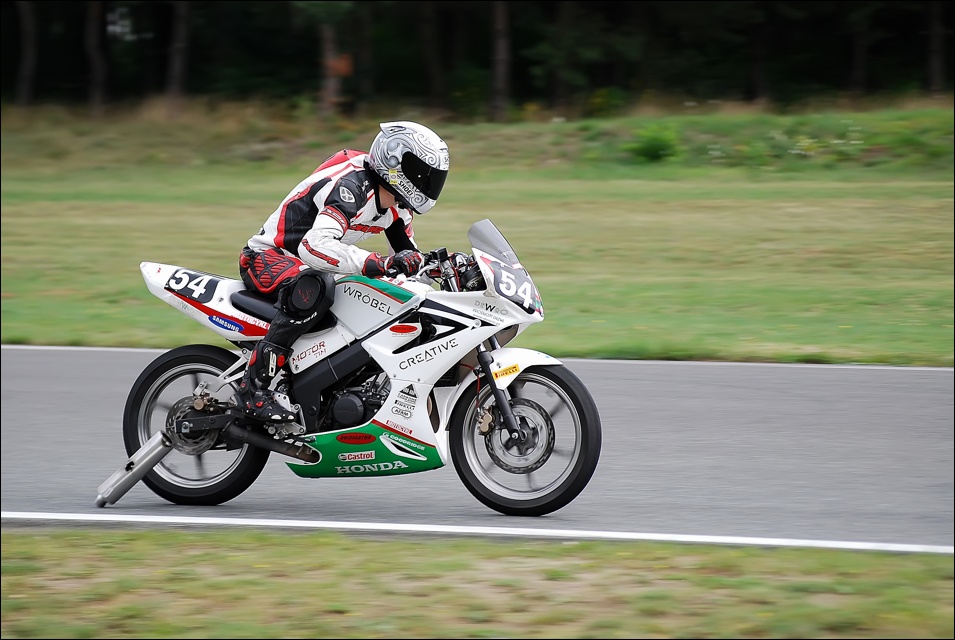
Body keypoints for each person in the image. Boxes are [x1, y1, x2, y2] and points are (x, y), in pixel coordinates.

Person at [233, 120, 451, 422]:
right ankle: (253, 388)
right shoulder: (352, 186)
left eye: (432, 176)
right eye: (421, 173)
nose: (427, 182)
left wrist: (447, 269)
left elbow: (409, 263)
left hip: (309, 265)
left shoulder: (397, 206)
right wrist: (379, 263)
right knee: (316, 287)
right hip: (267, 258)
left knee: (395, 300)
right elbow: (314, 246)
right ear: (394, 161)